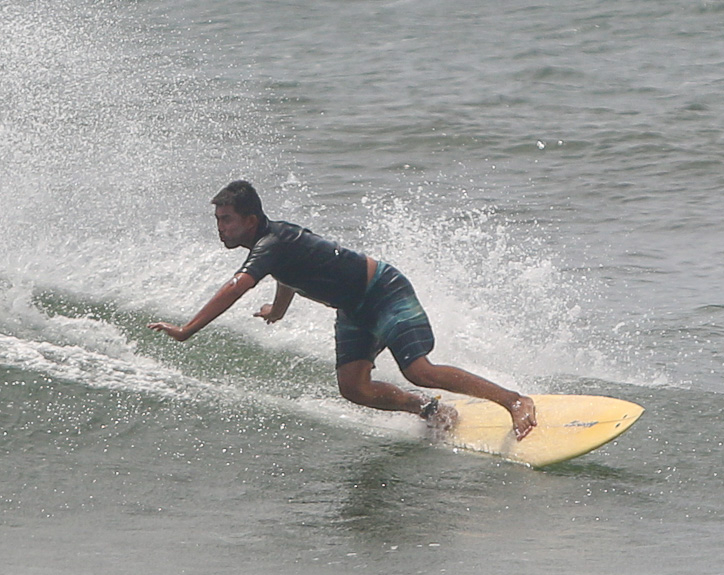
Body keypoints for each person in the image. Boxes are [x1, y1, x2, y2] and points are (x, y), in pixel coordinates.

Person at [148, 180, 537, 439]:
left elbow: (236, 288)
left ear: (250, 220)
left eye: (227, 220)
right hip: (353, 309)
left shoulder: (271, 243)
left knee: (419, 369)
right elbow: (286, 275)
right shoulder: (272, 246)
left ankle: (514, 401)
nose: (221, 229)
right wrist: (279, 310)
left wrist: (187, 330)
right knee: (353, 388)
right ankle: (430, 410)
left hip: (383, 290)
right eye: (217, 220)